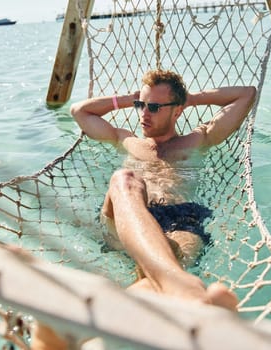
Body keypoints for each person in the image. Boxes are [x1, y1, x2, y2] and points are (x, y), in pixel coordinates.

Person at [33, 69, 256, 349]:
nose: (143, 114)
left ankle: (104, 332)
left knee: (165, 263)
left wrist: (191, 99)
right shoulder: (128, 140)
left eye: (153, 107)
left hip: (181, 219)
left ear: (177, 111)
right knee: (125, 180)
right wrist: (129, 99)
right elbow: (80, 111)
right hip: (128, 215)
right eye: (141, 105)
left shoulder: (198, 140)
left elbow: (246, 94)